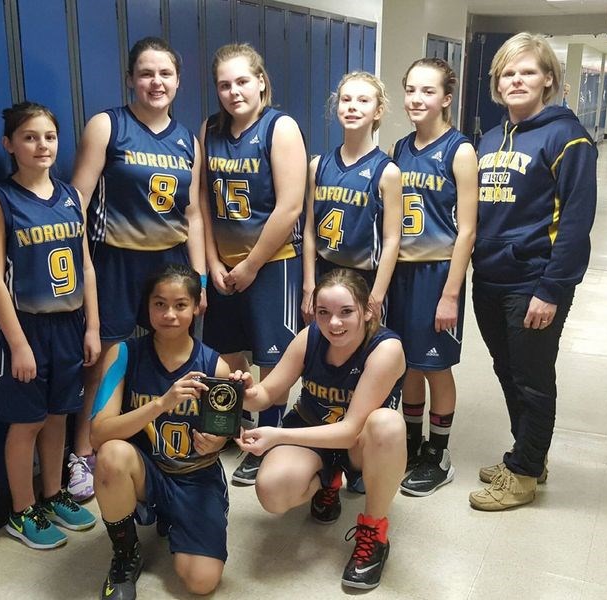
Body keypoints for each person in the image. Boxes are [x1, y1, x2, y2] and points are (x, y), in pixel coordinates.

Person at [69, 36, 207, 501]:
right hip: (116, 259)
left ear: (178, 81)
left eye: (165, 74)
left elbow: (192, 215)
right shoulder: (108, 126)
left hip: (170, 264)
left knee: (168, 357)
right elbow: (78, 203)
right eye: (146, 73)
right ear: (131, 78)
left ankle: (164, 444)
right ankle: (84, 454)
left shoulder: (189, 139)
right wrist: (84, 266)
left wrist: (200, 277)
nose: (156, 82)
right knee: (104, 361)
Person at [470, 32, 597, 511]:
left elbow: (576, 222)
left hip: (534, 284)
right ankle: (527, 454)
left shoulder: (569, 138)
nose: (516, 80)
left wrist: (552, 288)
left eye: (527, 71)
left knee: (532, 378)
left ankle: (523, 473)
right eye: (508, 72)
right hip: (490, 279)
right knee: (507, 371)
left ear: (548, 79)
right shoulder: (487, 140)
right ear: (497, 83)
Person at [235, 269, 406, 590]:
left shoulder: (386, 348)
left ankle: (374, 531)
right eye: (324, 313)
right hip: (312, 430)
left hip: (359, 443)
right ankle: (327, 481)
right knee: (271, 493)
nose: (334, 324)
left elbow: (350, 429)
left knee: (387, 423)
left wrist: (278, 435)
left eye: (346, 312)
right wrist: (246, 391)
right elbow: (267, 394)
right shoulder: (309, 337)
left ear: (367, 310)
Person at [0, 102, 98, 549]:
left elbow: (85, 267)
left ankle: (53, 494)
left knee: (58, 417)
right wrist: (18, 344)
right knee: (26, 422)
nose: (41, 145)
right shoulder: (0, 199)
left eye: (49, 136)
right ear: (9, 145)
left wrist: (92, 327)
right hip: (24, 330)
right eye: (29, 137)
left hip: (69, 325)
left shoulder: (70, 196)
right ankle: (22, 509)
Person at [200, 43, 307, 484]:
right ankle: (234, 426)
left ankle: (269, 436)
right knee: (227, 351)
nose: (233, 91)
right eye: (224, 84)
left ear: (261, 80)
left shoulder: (280, 128)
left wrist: (250, 265)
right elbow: (202, 201)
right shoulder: (209, 128)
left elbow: (289, 207)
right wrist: (211, 262)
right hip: (223, 265)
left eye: (242, 81)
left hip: (272, 264)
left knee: (271, 356)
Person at [90, 264, 231, 599]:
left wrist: (216, 441)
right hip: (147, 471)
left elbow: (221, 436)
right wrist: (159, 404)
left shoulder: (215, 366)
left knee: (201, 582)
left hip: (195, 477)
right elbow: (97, 435)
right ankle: (126, 553)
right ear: (148, 307)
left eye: (181, 305)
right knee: (111, 455)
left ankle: (176, 516)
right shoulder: (123, 354)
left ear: (197, 307)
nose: (169, 314)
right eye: (159, 304)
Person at [388, 58, 478, 496]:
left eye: (428, 91)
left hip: (438, 272)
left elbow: (468, 229)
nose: (417, 99)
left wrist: (451, 294)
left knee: (435, 366)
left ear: (446, 98)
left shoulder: (459, 150)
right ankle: (411, 441)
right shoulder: (400, 148)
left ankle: (439, 454)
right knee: (407, 364)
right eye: (411, 90)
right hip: (402, 271)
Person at [302, 71, 402, 326]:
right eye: (346, 100)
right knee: (322, 352)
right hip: (325, 273)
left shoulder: (387, 172)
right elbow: (310, 231)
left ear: (378, 111)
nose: (352, 107)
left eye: (363, 101)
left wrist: (377, 295)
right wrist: (308, 284)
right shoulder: (318, 166)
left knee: (364, 356)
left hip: (364, 279)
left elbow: (392, 240)